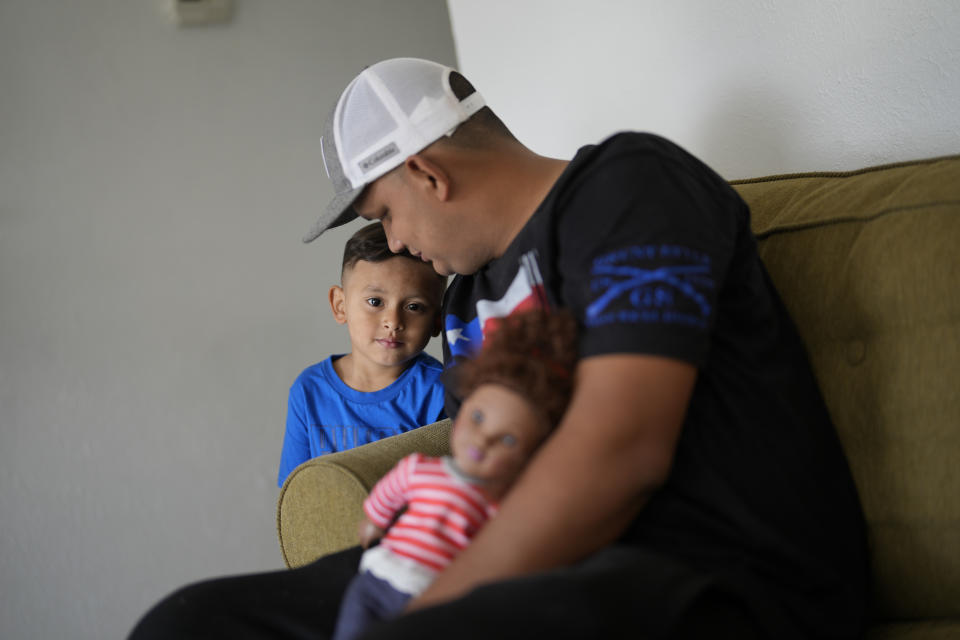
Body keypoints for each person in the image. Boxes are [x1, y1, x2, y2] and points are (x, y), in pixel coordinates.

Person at [129, 58, 869, 639]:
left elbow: (623, 448)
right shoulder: (465, 296)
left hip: (716, 577)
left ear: (427, 172)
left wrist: (425, 610)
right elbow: (484, 470)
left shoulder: (629, 186)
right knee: (188, 624)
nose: (394, 244)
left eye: (384, 215)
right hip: (545, 573)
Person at [332, 309, 577, 640]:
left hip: (431, 597)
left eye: (507, 439)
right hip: (378, 575)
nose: (483, 439)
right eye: (477, 417)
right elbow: (391, 491)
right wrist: (375, 520)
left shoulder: (498, 507)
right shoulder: (421, 469)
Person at [277, 222, 447, 486]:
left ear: (438, 321)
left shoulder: (440, 392)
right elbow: (296, 494)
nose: (393, 321)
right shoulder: (309, 391)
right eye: (375, 302)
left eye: (414, 306)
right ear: (340, 306)